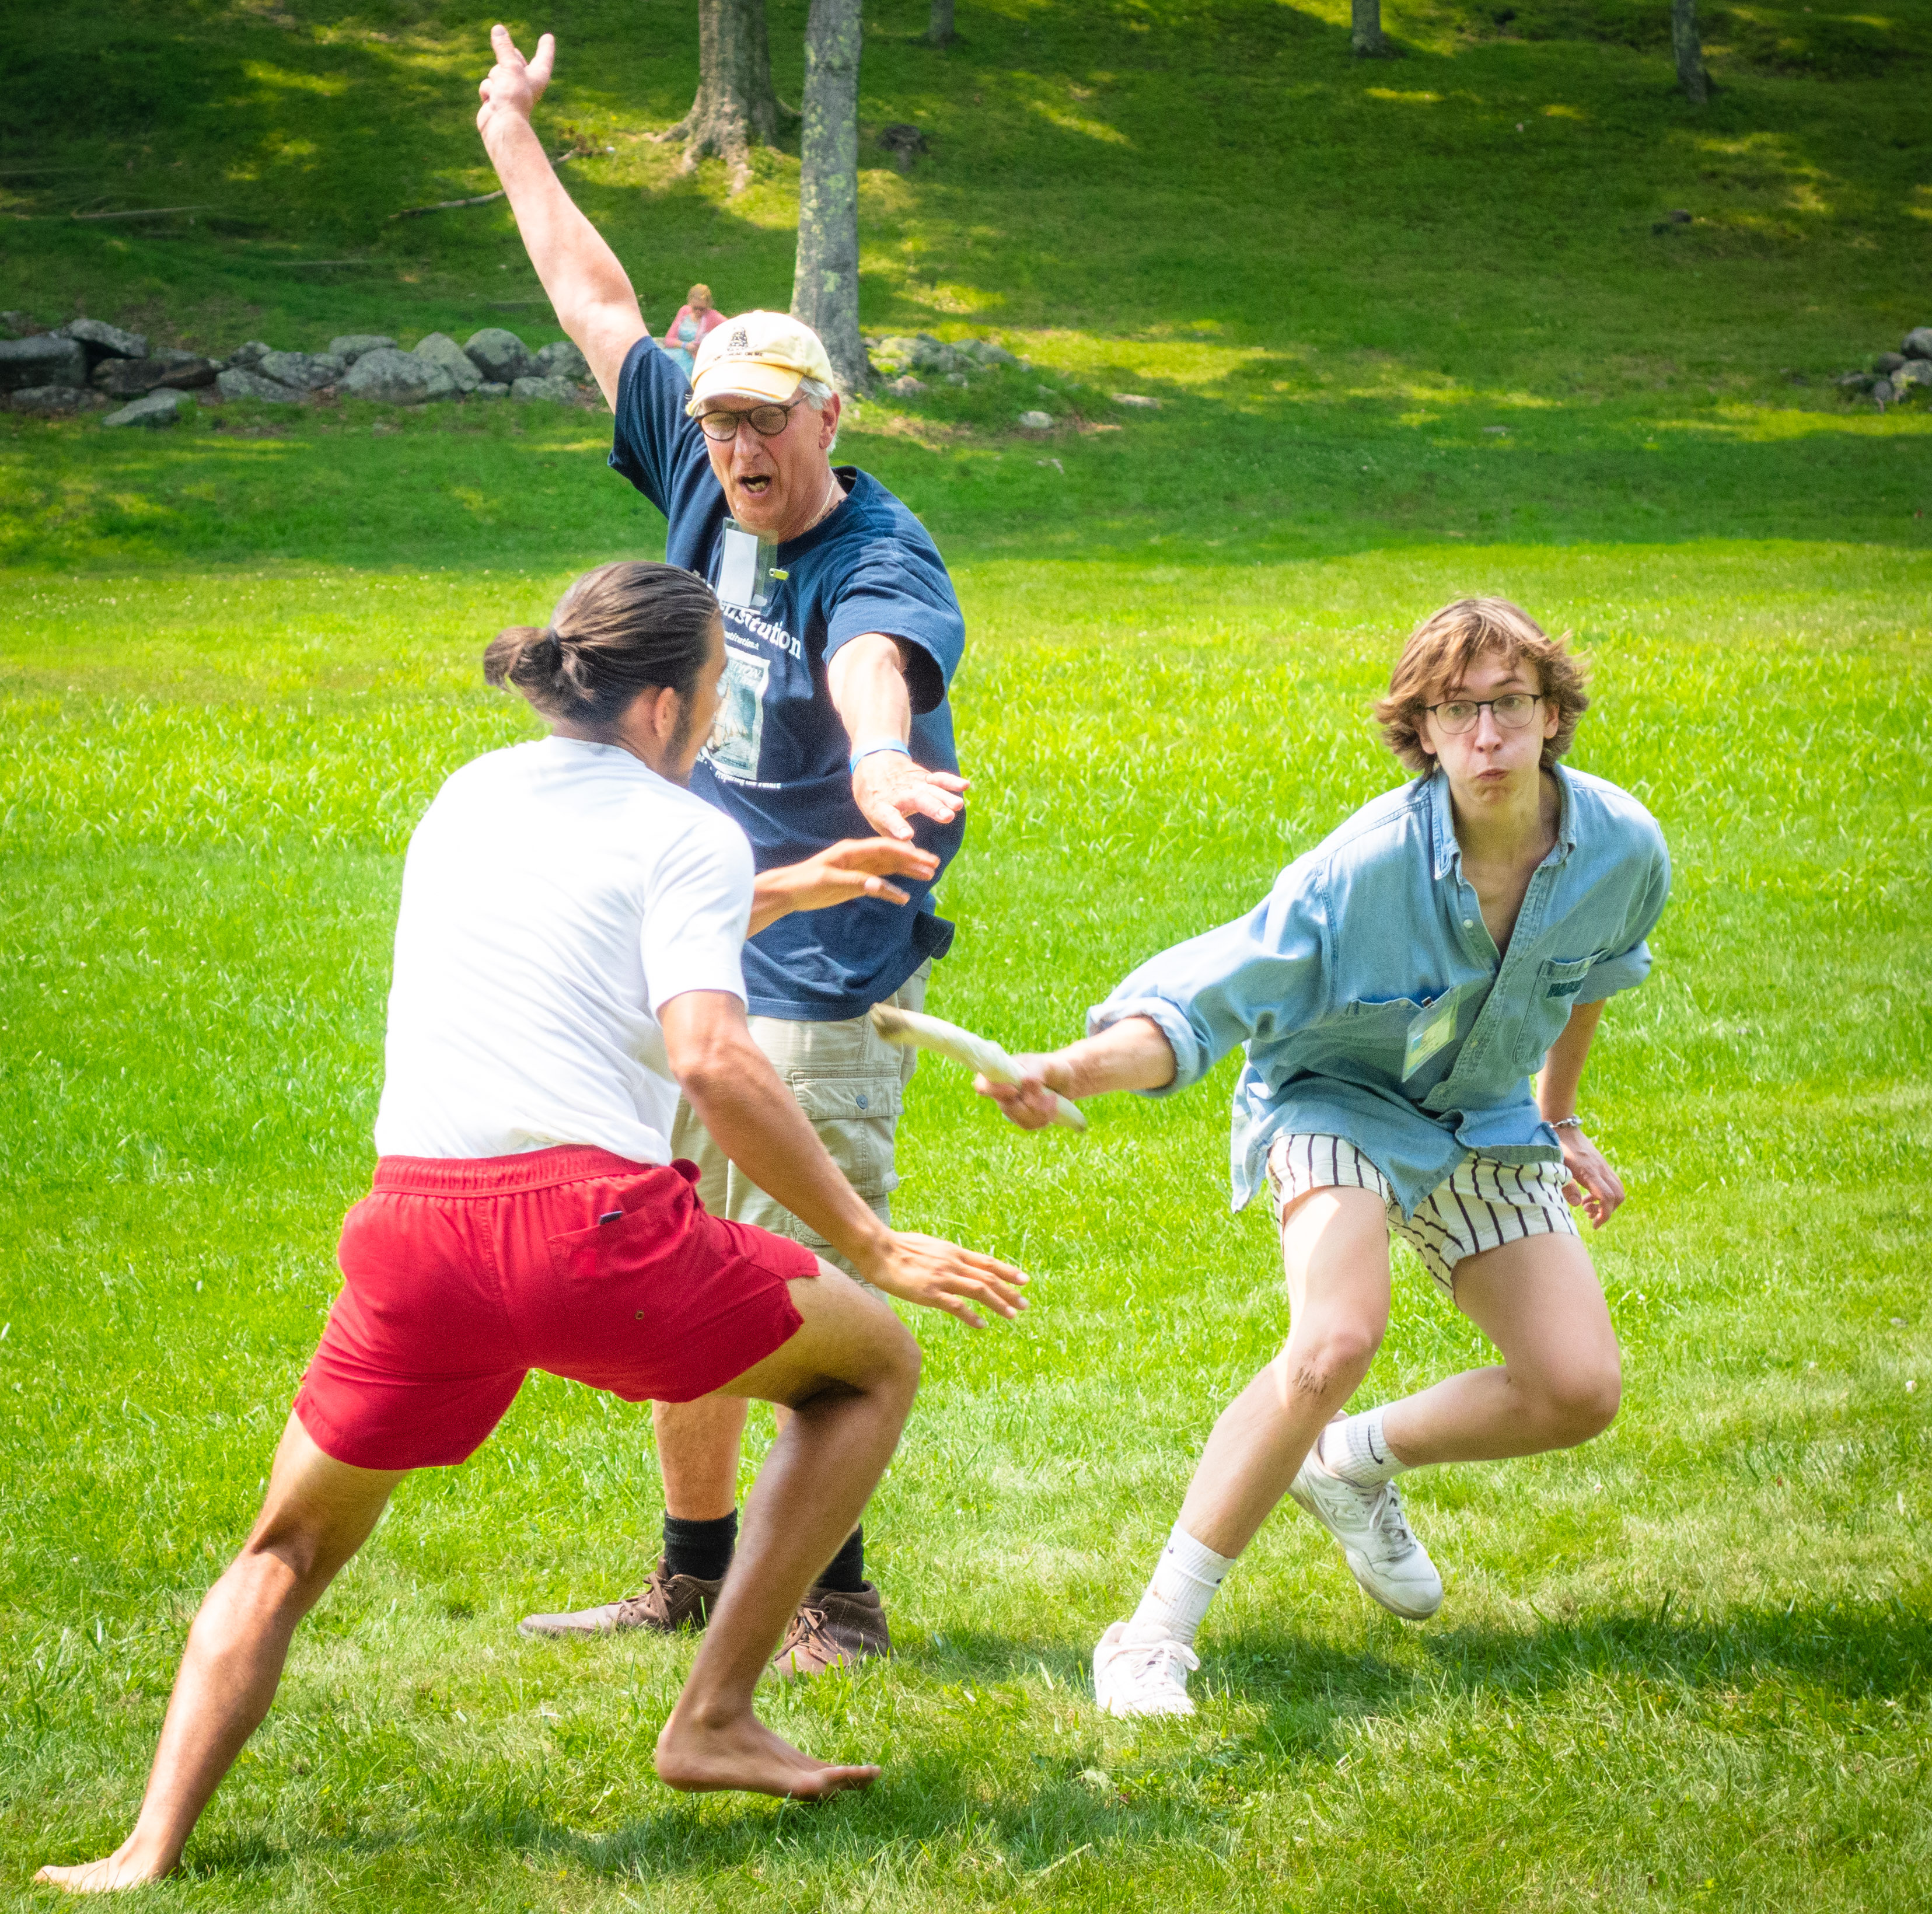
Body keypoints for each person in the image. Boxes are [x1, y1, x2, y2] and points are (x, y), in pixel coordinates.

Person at [34, 562, 1026, 1894]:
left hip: (413, 1235)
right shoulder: (688, 830)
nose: (718, 722)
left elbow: (594, 917)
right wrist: (875, 1241)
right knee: (873, 1364)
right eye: (718, 696)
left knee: (286, 1547)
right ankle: (716, 1714)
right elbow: (714, 1055)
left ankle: (145, 1846)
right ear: (666, 706)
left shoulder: (470, 796)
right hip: (591, 1238)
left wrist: (790, 886)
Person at [477, 26, 974, 1675]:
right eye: (720, 425)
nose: (743, 452)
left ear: (829, 413)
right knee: (678, 1256)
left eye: (770, 422)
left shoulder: (875, 552)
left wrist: (884, 758)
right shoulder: (697, 462)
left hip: (823, 958)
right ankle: (692, 1569)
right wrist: (510, 130)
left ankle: (838, 1600)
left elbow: (874, 660)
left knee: (800, 1279)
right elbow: (593, 302)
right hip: (692, 937)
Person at [980, 598, 1670, 1718]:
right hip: (1332, 1099)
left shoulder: (1621, 847)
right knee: (1334, 1341)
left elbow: (1591, 971)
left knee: (1577, 1390)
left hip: (1484, 1113)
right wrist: (1072, 1069)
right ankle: (1150, 1639)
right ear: (1422, 731)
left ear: (1553, 713)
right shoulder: (1361, 869)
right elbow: (1209, 999)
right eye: (1457, 711)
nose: (1486, 736)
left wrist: (1559, 1119)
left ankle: (1343, 1463)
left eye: (1509, 704)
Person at [661, 282, 724, 380]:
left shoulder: (712, 316)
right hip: (678, 351)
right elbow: (668, 340)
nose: (698, 311)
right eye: (695, 308)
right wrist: (685, 346)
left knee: (679, 375)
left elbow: (731, 326)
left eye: (702, 309)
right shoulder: (684, 311)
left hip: (694, 359)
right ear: (690, 302)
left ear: (708, 305)